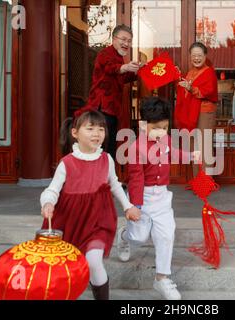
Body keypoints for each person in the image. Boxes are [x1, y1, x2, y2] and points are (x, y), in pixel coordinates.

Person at [40, 110, 141, 300]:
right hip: (70, 220)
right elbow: (52, 190)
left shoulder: (106, 159)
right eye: (90, 128)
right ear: (75, 133)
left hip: (98, 219)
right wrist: (47, 202)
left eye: (101, 129)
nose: (97, 133)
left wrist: (128, 206)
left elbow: (115, 184)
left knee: (94, 260)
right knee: (66, 264)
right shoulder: (67, 163)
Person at [116, 97, 200, 300]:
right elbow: (135, 179)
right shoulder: (136, 148)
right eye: (156, 128)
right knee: (139, 237)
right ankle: (124, 236)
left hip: (162, 197)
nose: (161, 132)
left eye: (165, 128)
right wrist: (134, 206)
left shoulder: (166, 139)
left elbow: (174, 153)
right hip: (142, 197)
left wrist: (190, 156)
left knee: (166, 235)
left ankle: (161, 278)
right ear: (143, 125)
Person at [86, 24, 141, 160]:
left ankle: (108, 178)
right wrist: (126, 67)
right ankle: (98, 179)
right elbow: (111, 68)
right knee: (101, 146)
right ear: (114, 39)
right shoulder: (105, 54)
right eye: (123, 39)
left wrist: (139, 72)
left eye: (129, 41)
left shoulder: (119, 57)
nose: (126, 43)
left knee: (110, 146)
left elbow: (121, 77)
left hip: (113, 109)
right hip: (101, 108)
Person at [175, 42, 218, 176]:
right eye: (194, 55)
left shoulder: (209, 72)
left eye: (199, 55)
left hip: (205, 112)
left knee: (204, 146)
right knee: (195, 146)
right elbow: (185, 90)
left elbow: (208, 91)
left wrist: (190, 88)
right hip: (192, 114)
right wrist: (177, 76)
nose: (196, 58)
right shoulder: (190, 72)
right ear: (190, 57)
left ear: (205, 56)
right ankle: (197, 180)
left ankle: (205, 183)